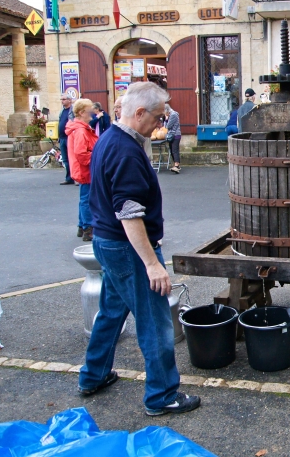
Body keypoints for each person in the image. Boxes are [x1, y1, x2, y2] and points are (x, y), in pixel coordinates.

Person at [80, 82, 200, 416]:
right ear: (138, 113)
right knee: (156, 323)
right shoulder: (126, 151)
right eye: (158, 117)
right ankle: (162, 396)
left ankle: (93, 376)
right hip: (126, 248)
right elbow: (129, 214)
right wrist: (152, 264)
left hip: (107, 243)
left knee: (111, 312)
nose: (160, 124)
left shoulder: (111, 138)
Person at [65, 99, 98, 241]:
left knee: (84, 197)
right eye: (89, 110)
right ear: (81, 112)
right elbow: (81, 154)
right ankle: (88, 228)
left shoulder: (79, 128)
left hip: (83, 169)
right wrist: (97, 156)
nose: (92, 112)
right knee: (87, 199)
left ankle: (82, 225)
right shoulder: (80, 130)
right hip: (86, 169)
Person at [58, 94, 75, 185]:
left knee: (72, 158)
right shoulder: (62, 111)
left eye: (64, 99)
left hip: (69, 137)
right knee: (65, 160)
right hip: (62, 138)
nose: (62, 101)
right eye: (61, 99)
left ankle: (75, 177)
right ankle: (69, 178)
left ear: (69, 100)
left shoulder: (73, 111)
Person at [164, 104, 181, 174]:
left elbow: (167, 126)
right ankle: (177, 165)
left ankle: (176, 166)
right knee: (172, 150)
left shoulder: (173, 115)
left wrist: (166, 119)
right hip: (173, 135)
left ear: (167, 110)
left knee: (174, 150)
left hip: (175, 135)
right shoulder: (172, 115)